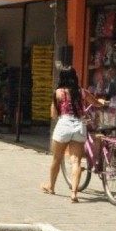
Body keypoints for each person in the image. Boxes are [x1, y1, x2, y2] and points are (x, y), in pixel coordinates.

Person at [43, 66, 87, 203]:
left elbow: (53, 115)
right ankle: (74, 193)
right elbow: (96, 103)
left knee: (57, 158)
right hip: (79, 126)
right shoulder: (82, 92)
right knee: (76, 161)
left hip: (64, 125)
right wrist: (101, 103)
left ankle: (51, 186)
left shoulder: (58, 92)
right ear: (75, 77)